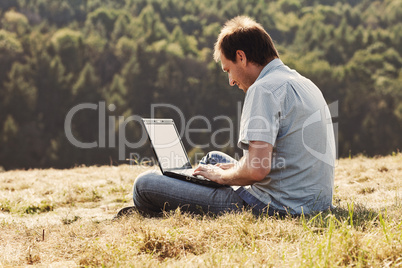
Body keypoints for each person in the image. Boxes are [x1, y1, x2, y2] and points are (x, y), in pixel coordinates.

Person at [115, 16, 335, 219]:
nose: (230, 81)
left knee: (143, 185)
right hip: (310, 199)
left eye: (228, 70)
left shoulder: (263, 90)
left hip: (275, 205)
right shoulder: (302, 82)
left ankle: (173, 202)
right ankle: (186, 191)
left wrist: (222, 177)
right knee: (212, 159)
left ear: (241, 57)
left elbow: (257, 169)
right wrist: (225, 172)